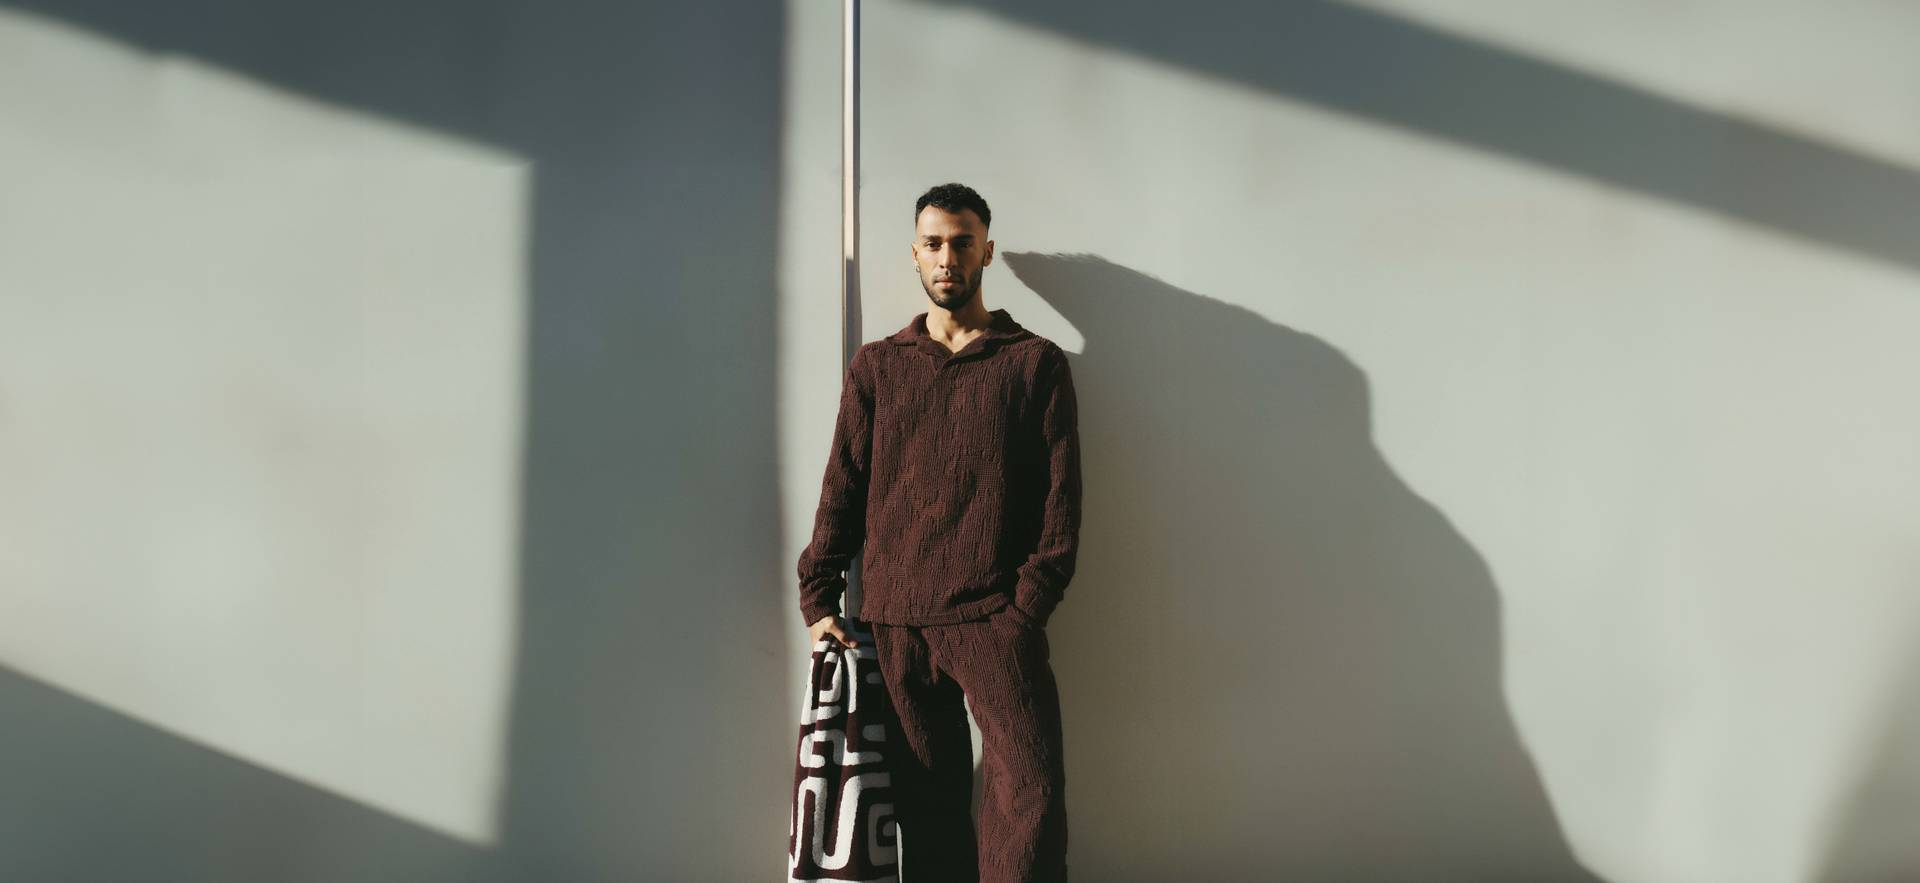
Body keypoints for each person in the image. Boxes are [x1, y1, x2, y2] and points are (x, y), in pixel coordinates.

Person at [797, 182, 1082, 882]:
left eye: (961, 242)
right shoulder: (879, 365)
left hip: (994, 620)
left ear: (986, 249)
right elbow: (844, 487)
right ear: (914, 255)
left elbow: (1061, 502)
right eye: (933, 244)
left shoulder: (1033, 362)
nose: (947, 257)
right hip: (896, 620)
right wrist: (819, 600)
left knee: (1031, 792)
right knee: (928, 811)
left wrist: (1025, 611)